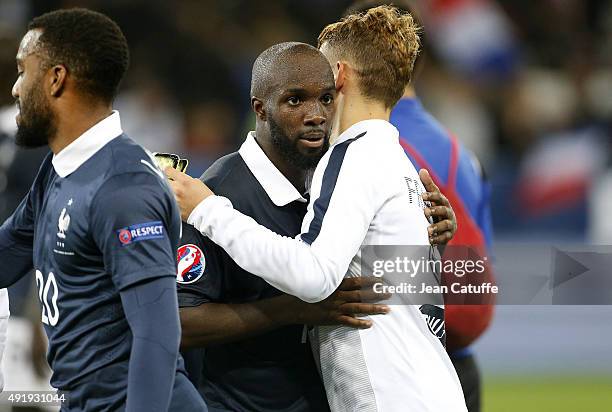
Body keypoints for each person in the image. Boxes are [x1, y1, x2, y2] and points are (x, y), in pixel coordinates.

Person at [166, 6, 466, 412]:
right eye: (296, 99)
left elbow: (314, 278)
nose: (316, 113)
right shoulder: (394, 161)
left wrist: (207, 211)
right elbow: (181, 320)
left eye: (325, 93)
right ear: (259, 108)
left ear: (339, 76)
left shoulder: (350, 161)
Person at [0, 8, 206, 411]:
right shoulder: (61, 167)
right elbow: (6, 256)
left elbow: (157, 337)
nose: (15, 89)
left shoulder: (122, 187)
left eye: (23, 71)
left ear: (56, 79)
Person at [345, 2, 495, 411]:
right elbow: (477, 268)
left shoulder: (353, 145)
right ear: (420, 63)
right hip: (459, 367)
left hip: (395, 364)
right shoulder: (462, 154)